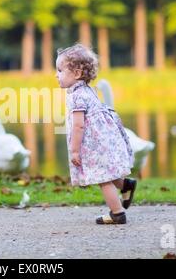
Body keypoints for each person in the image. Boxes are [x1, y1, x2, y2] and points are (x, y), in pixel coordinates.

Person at [56, 43, 137, 224]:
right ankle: (126, 185)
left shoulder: (76, 96)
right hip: (104, 138)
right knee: (107, 171)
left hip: (95, 143)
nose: (56, 75)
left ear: (76, 74)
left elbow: (78, 126)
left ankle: (117, 213)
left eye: (60, 70)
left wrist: (74, 150)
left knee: (102, 178)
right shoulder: (87, 90)